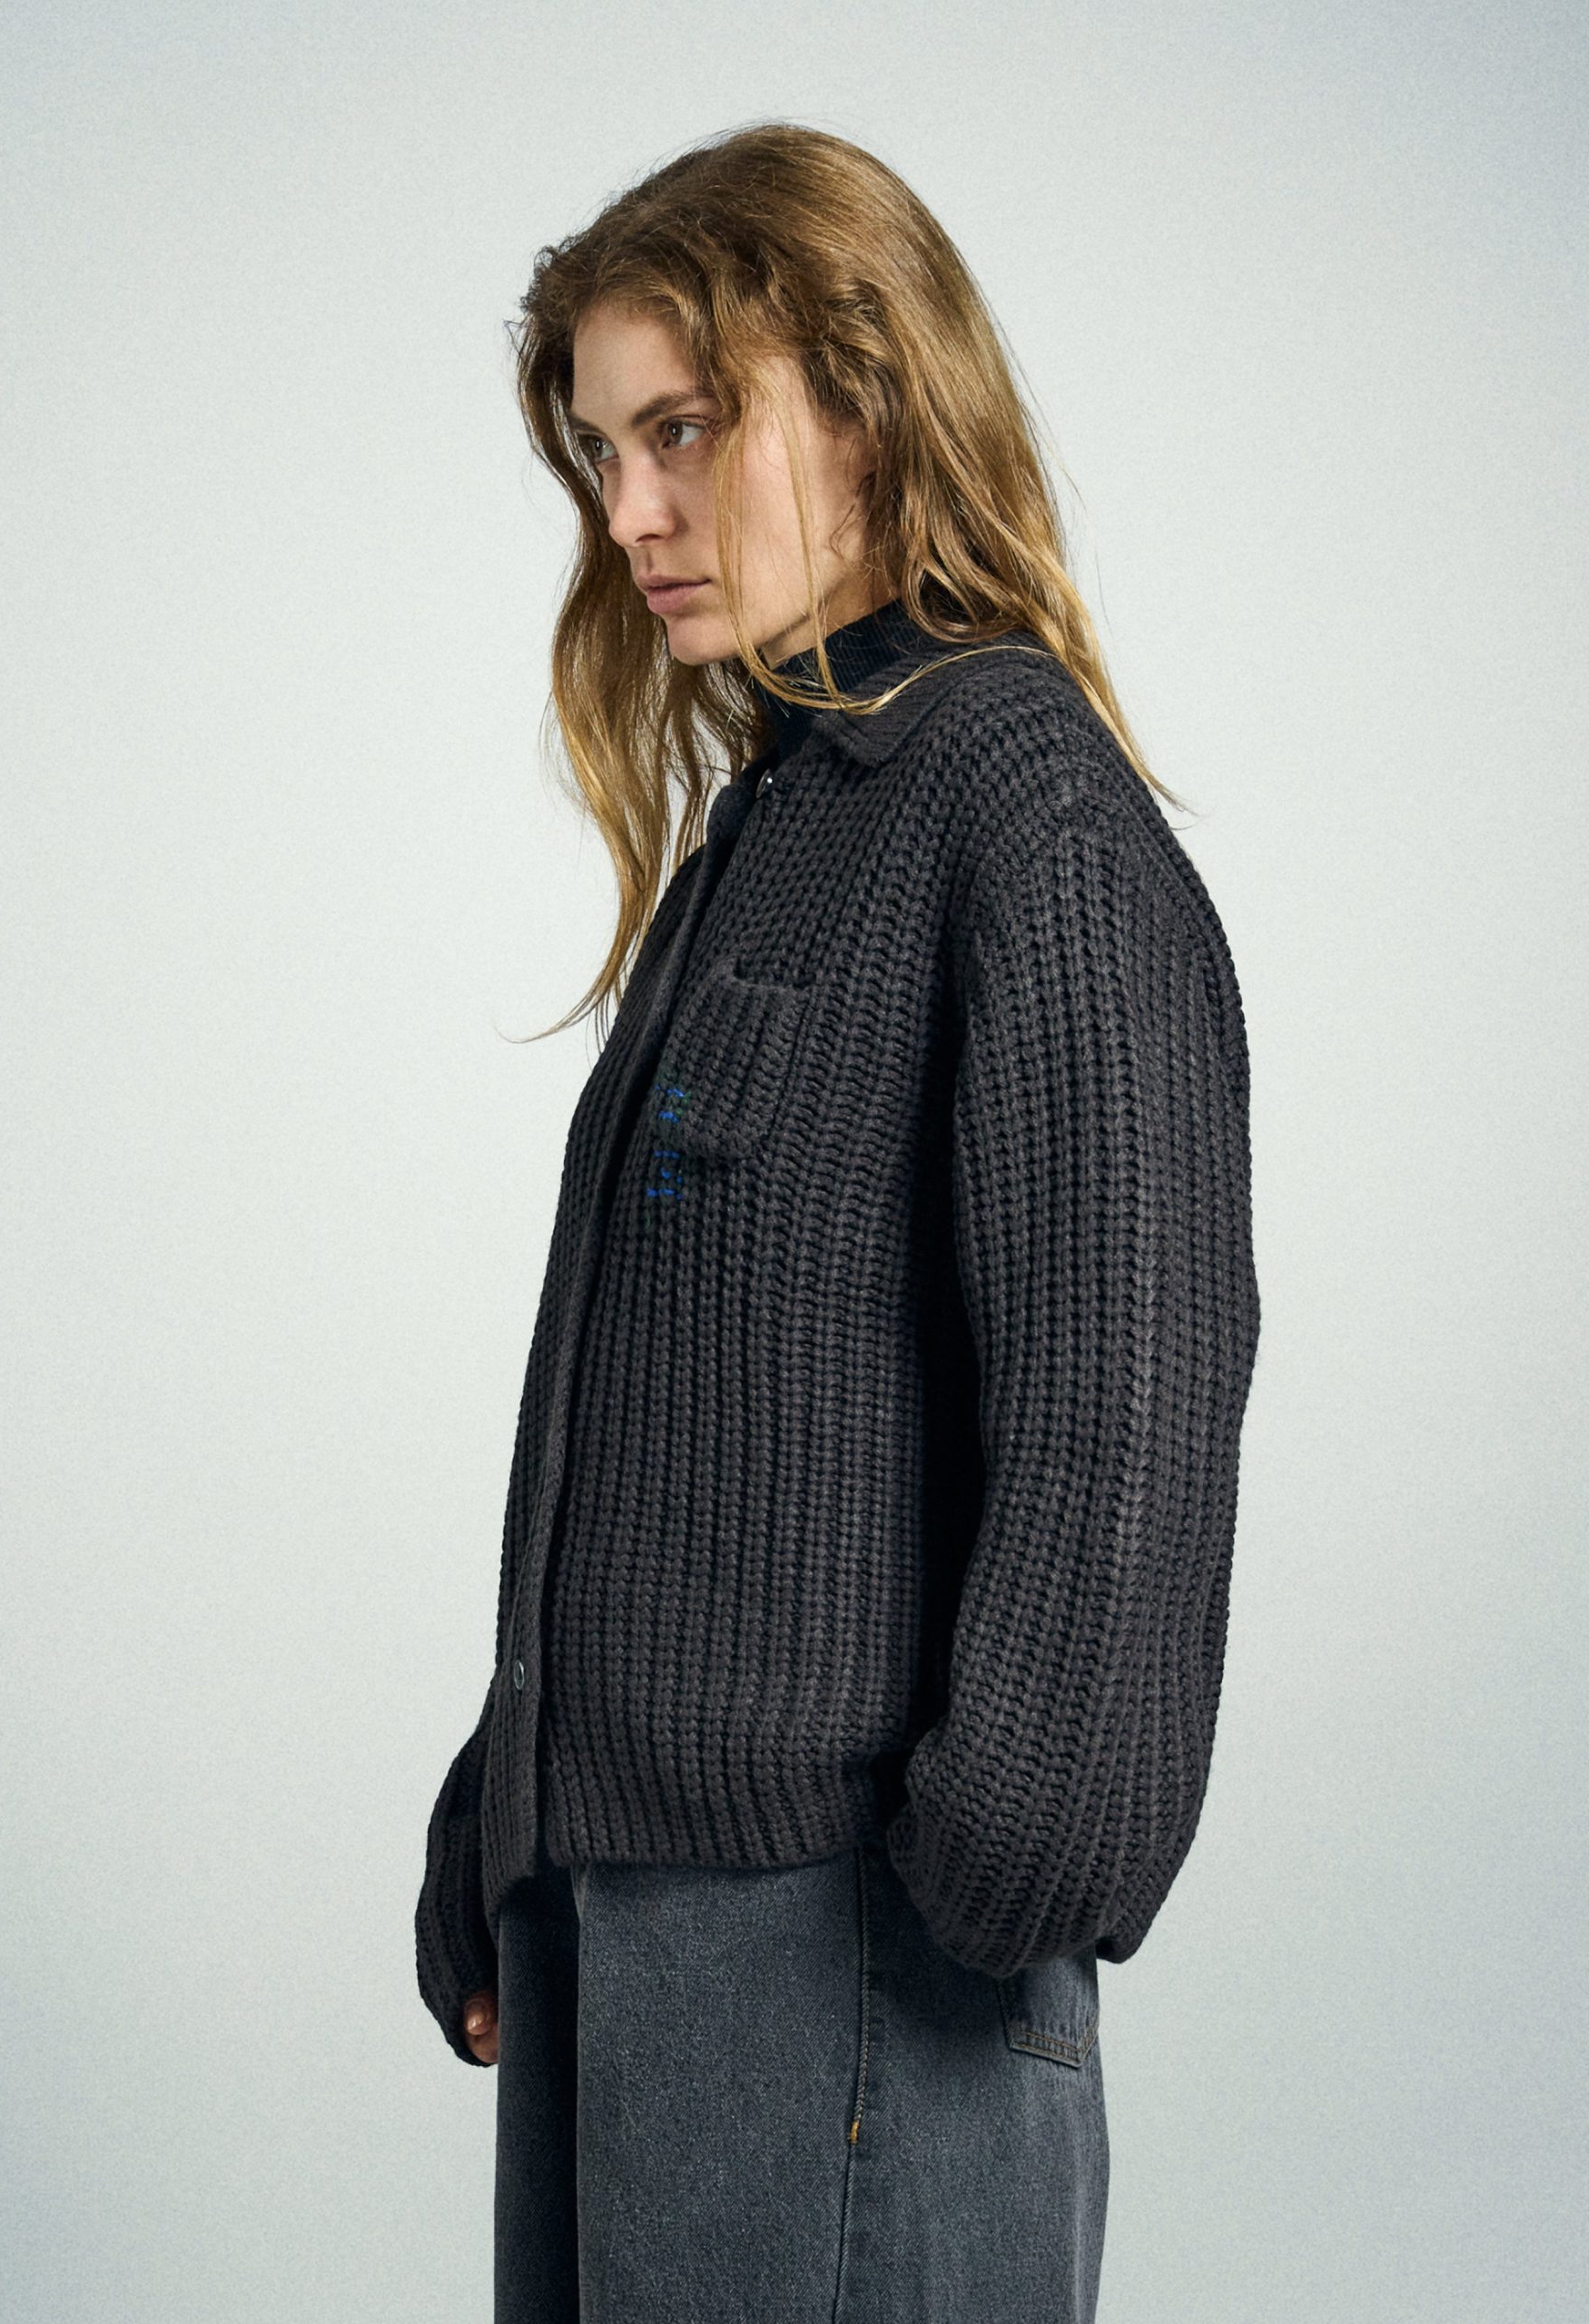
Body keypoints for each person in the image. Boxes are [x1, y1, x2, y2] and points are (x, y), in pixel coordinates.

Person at [414, 121, 1259, 2322]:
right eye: (601, 451)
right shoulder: (783, 827)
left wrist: (992, 1874)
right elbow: (704, 1404)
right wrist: (518, 1791)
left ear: (870, 395)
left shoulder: (1023, 814)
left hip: (854, 1971)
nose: (631, 513)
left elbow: (1125, 1399)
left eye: (682, 428)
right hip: (637, 1942)